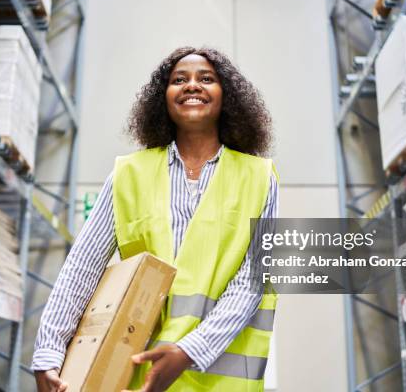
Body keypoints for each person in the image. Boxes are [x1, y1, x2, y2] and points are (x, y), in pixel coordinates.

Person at [32, 46, 279, 392]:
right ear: (163, 99)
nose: (192, 85)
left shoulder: (260, 177)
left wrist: (189, 350)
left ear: (228, 97)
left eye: (206, 78)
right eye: (179, 80)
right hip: (136, 374)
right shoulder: (127, 174)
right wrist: (49, 350)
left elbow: (252, 282)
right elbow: (82, 268)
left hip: (220, 380)